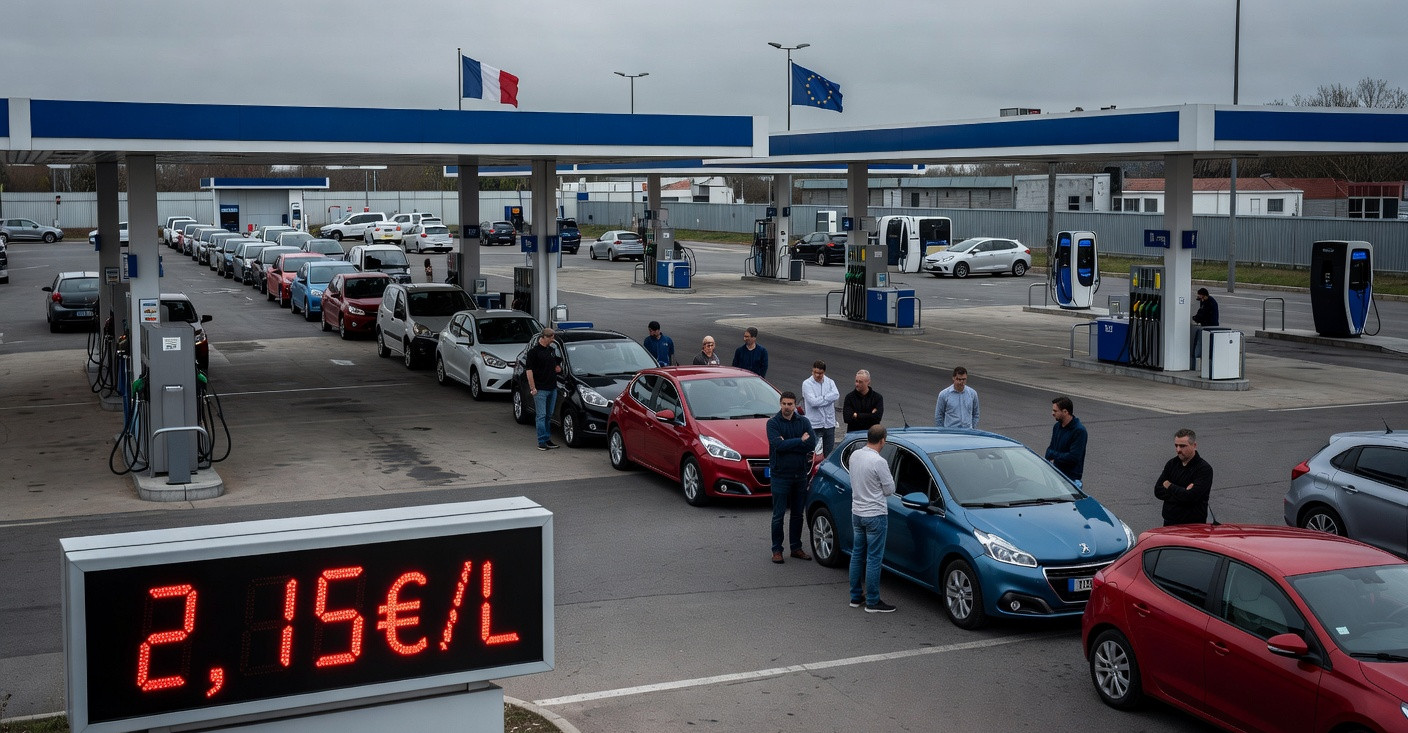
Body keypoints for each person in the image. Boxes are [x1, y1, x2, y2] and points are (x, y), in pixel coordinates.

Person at [848, 425, 896, 613]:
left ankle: (855, 596)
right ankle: (873, 601)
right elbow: (890, 489)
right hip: (875, 514)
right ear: (883, 439)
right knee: (874, 558)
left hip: (857, 512)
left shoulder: (855, 456)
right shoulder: (879, 461)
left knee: (857, 555)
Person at [766, 391, 816, 564]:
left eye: (790, 404)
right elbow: (778, 445)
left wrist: (793, 443)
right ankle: (777, 550)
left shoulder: (804, 421)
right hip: (780, 475)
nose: (787, 407)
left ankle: (796, 547)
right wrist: (799, 442)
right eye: (784, 404)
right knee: (778, 515)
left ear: (795, 405)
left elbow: (812, 443)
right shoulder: (772, 423)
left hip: (800, 475)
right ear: (780, 404)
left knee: (797, 515)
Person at [1154, 428, 1213, 526]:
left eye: (1182, 446)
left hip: (1193, 526)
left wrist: (1170, 486)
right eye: (1176, 445)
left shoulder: (1204, 469)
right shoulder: (1171, 464)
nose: (1178, 450)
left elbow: (1191, 497)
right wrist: (1183, 492)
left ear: (1194, 446)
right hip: (1169, 523)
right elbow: (1158, 491)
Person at [523, 328, 563, 451]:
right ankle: (541, 441)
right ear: (545, 337)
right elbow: (529, 371)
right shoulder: (533, 353)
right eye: (551, 337)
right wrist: (533, 388)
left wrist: (557, 367)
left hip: (552, 388)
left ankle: (547, 439)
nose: (553, 340)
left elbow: (557, 365)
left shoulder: (551, 350)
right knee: (541, 415)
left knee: (548, 415)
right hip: (540, 389)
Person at [1044, 396, 1087, 488]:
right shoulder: (1057, 427)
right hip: (1055, 475)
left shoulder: (1079, 431)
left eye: (1055, 411)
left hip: (1070, 480)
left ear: (1065, 412)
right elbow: (1049, 450)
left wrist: (1053, 455)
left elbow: (1073, 457)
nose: (1052, 413)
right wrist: (1052, 454)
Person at [801, 360, 840, 458]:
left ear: (824, 372)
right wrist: (827, 398)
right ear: (812, 371)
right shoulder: (807, 384)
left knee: (829, 454)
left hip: (829, 423)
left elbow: (836, 395)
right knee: (810, 452)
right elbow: (813, 402)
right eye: (815, 373)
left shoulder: (830, 382)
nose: (818, 375)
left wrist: (821, 399)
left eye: (820, 373)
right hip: (814, 424)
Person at [842, 370, 884, 434]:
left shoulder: (877, 398)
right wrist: (870, 415)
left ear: (868, 383)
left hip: (871, 435)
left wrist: (856, 415)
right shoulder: (849, 397)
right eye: (856, 381)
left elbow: (877, 418)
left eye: (860, 382)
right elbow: (847, 418)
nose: (857, 384)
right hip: (853, 435)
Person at [1191, 287, 1221, 362]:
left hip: (1210, 326)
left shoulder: (1210, 303)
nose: (1198, 298)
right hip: (1207, 324)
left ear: (1204, 295)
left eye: (1199, 296)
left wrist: (1196, 318)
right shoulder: (1204, 301)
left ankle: (1200, 359)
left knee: (1204, 343)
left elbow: (1203, 313)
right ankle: (1203, 358)